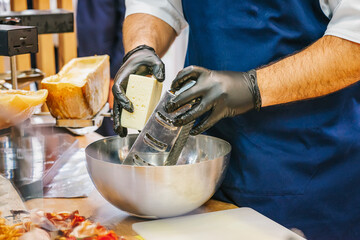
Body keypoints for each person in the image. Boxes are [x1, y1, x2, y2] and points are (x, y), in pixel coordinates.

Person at [112, 1, 360, 239]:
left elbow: (354, 41)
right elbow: (157, 5)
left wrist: (251, 87)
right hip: (207, 168)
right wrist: (141, 47)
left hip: (310, 170)